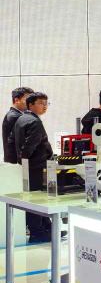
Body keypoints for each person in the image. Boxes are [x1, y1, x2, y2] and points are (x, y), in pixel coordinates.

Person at [13, 93, 54, 242]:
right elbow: (30, 145)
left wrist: (22, 160)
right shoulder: (34, 121)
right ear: (30, 105)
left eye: (46, 103)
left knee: (34, 198)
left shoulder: (21, 118)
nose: (45, 106)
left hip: (29, 166)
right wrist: (26, 158)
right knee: (37, 200)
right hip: (36, 166)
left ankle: (46, 228)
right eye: (41, 103)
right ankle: (38, 232)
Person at [3, 86, 32, 164]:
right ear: (17, 100)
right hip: (17, 163)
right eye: (28, 100)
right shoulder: (15, 116)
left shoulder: (13, 115)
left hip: (15, 162)